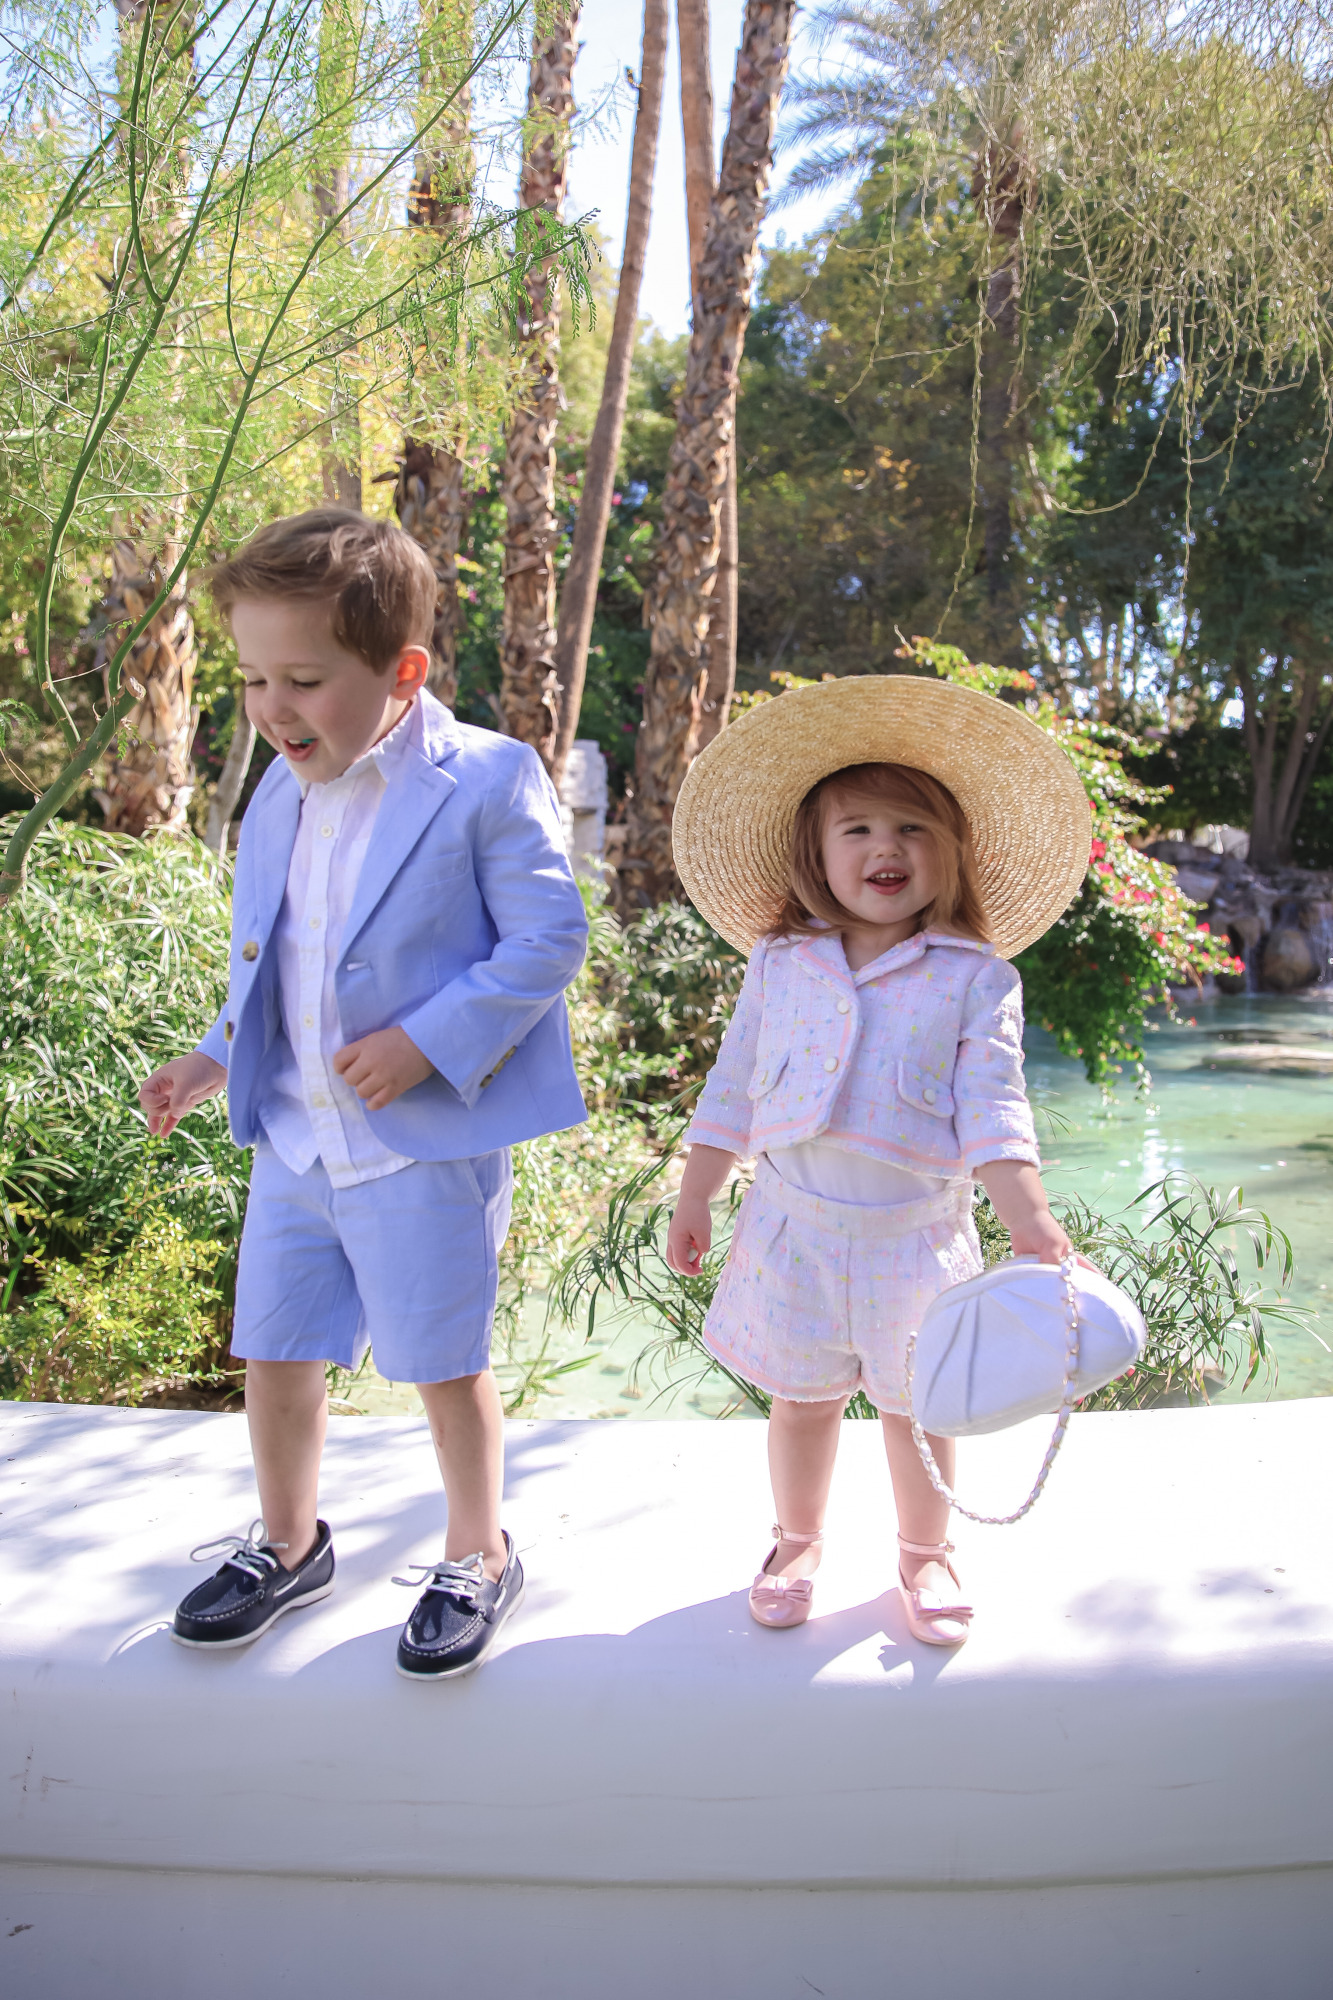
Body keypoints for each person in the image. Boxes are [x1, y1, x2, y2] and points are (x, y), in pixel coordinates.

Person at [139, 508, 588, 1680]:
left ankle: (476, 1550)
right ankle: (287, 1543)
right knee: (275, 1348)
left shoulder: (486, 776)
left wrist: (430, 1043)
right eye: (250, 679)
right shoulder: (279, 794)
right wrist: (211, 1056)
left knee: (444, 1358)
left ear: (401, 671)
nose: (272, 708)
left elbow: (547, 937)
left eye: (303, 678)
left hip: (416, 1141)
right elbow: (270, 961)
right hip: (292, 1136)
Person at [665, 674, 1090, 1647]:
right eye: (856, 829)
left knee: (917, 1405)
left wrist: (1028, 1217)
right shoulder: (780, 961)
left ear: (951, 854)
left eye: (912, 829)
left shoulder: (974, 976)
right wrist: (698, 1191)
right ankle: (796, 1539)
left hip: (915, 1235)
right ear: (815, 853)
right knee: (802, 1399)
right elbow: (732, 1087)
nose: (884, 848)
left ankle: (923, 1550)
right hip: (791, 1227)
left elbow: (993, 1107)